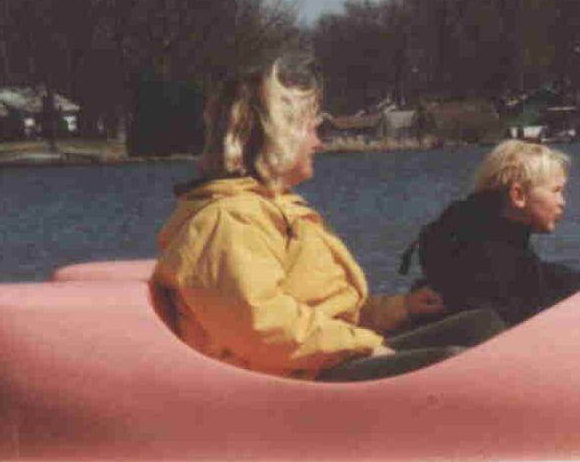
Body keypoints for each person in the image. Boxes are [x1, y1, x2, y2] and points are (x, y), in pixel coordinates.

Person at [152, 55, 505, 382]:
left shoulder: (275, 208)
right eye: (311, 129)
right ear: (279, 136)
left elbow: (324, 310)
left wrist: (399, 309)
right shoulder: (227, 221)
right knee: (456, 366)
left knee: (481, 326)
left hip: (321, 359)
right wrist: (362, 344)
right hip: (292, 384)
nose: (319, 142)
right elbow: (261, 327)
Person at [403, 140, 580, 326]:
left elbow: (535, 275)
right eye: (556, 191)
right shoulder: (484, 254)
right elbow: (517, 305)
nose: (562, 202)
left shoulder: (474, 228)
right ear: (518, 195)